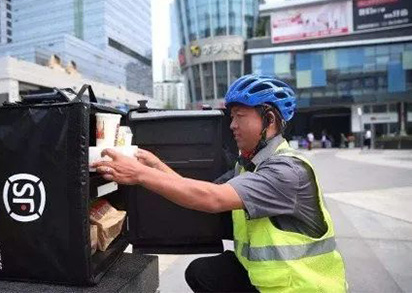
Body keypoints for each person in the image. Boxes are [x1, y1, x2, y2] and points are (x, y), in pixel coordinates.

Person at [93, 74, 347, 292]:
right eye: (231, 117)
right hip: (266, 280)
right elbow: (201, 190)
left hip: (302, 287)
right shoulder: (250, 165)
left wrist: (138, 174)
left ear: (269, 120)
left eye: (239, 116)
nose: (232, 125)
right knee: (203, 273)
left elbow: (212, 199)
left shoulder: (286, 171)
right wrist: (155, 166)